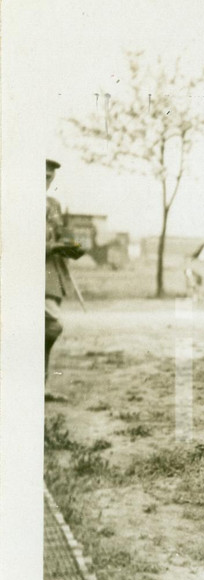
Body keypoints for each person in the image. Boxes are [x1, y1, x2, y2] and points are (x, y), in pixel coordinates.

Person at [45, 158, 85, 403]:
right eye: (41, 175)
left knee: (46, 331)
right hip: (23, 275)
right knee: (51, 326)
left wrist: (70, 245)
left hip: (51, 276)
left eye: (49, 177)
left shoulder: (52, 204)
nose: (46, 180)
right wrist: (52, 246)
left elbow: (62, 235)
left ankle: (41, 386)